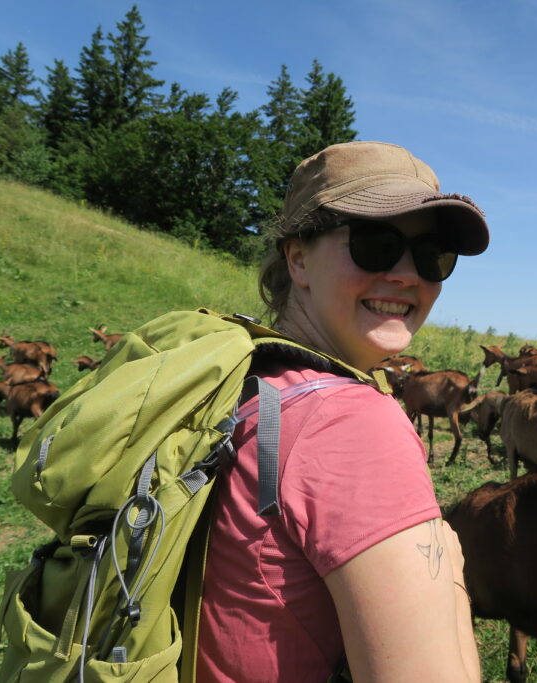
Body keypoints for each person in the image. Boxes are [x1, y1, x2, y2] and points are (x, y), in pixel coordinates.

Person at [196, 141, 488, 682]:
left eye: (433, 257)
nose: (408, 275)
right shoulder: (349, 424)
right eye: (375, 243)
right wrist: (449, 567)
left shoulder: (248, 379)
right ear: (298, 258)